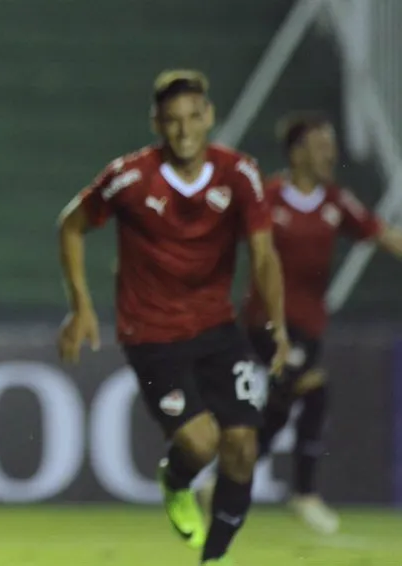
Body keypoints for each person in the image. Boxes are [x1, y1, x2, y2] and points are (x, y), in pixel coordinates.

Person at [56, 69, 289, 565]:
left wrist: (277, 324)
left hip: (217, 328)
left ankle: (215, 558)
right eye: (172, 120)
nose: (184, 130)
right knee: (201, 445)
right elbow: (71, 225)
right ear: (156, 123)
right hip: (153, 333)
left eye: (192, 118)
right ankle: (175, 478)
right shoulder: (130, 177)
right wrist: (81, 305)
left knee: (243, 446)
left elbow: (265, 257)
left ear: (209, 117)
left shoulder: (239, 173)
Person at [197, 112, 402, 534]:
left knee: (292, 400)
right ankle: (303, 495)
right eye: (321, 146)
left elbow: (382, 233)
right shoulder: (268, 197)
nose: (331, 154)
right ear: (297, 152)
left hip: (309, 325)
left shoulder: (335, 201)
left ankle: (225, 481)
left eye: (331, 146)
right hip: (268, 322)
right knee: (308, 386)